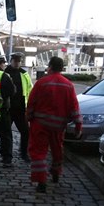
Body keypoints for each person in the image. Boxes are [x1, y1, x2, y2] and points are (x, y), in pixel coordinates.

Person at [26, 56, 82, 193]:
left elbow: (31, 102)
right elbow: (74, 107)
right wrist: (78, 125)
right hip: (58, 126)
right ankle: (56, 173)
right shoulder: (68, 85)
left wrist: (29, 117)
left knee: (38, 152)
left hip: (40, 125)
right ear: (62, 68)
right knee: (57, 151)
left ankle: (41, 181)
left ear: (49, 67)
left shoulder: (41, 83)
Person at [2, 52, 34, 162]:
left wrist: (29, 105)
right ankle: (7, 156)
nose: (17, 63)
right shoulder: (5, 72)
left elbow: (30, 90)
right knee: (6, 133)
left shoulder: (24, 74)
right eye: (15, 61)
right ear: (11, 61)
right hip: (8, 108)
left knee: (25, 132)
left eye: (18, 61)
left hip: (20, 108)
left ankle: (24, 153)